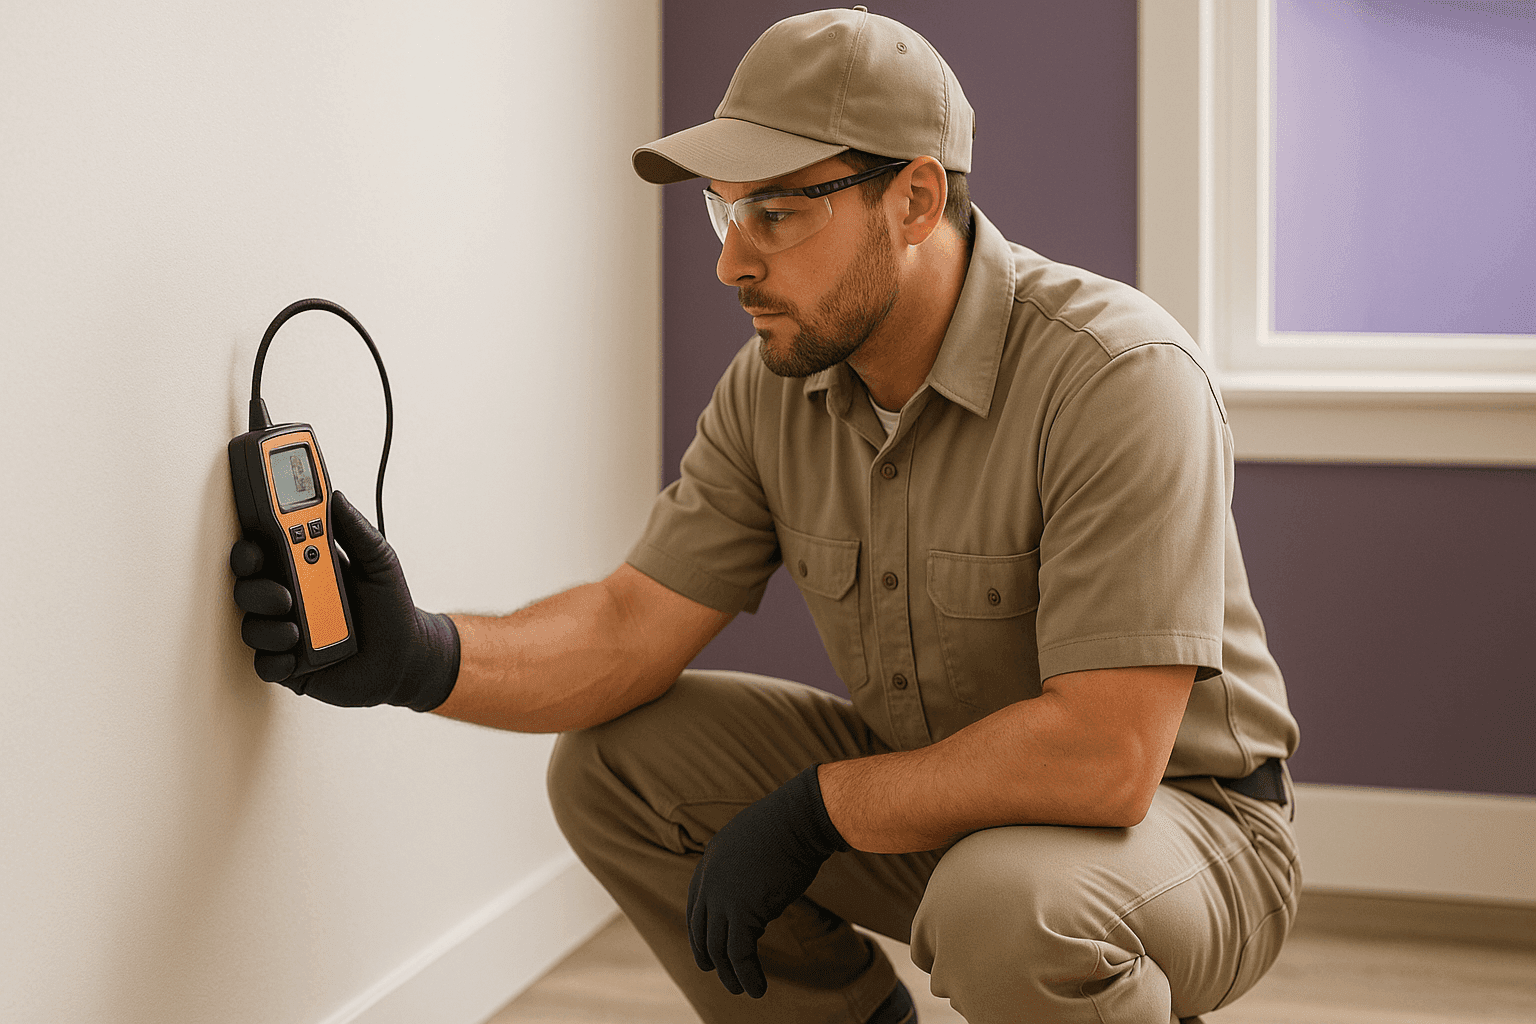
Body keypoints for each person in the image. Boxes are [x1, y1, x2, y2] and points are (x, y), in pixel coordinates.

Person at [230, 8, 1301, 1023]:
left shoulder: (1118, 376)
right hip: (949, 802)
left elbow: (1104, 755)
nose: (731, 260)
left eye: (777, 212)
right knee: (614, 767)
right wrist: (417, 656)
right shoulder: (773, 389)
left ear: (917, 200)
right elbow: (626, 625)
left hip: (1184, 824)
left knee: (1008, 906)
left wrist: (818, 810)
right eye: (724, 209)